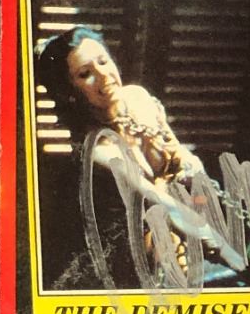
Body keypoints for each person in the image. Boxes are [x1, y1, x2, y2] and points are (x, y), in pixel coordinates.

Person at [34, 25, 207, 284]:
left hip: (184, 220)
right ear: (69, 93)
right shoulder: (95, 149)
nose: (103, 75)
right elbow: (154, 199)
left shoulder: (138, 98)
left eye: (103, 61)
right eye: (85, 74)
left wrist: (192, 169)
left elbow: (178, 155)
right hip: (133, 253)